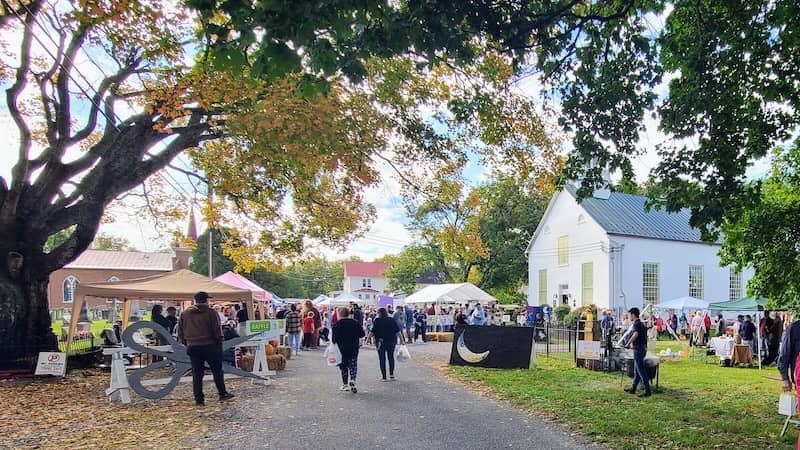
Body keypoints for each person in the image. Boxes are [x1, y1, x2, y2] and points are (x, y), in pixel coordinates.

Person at [178, 291, 234, 406]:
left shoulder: (185, 314)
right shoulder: (211, 312)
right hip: (210, 345)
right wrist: (219, 342)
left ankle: (199, 399)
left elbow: (180, 331)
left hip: (193, 346)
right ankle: (222, 393)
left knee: (197, 373)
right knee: (217, 371)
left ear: (195, 300)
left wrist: (187, 343)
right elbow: (217, 330)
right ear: (206, 300)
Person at [331, 307, 365, 393]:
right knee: (353, 365)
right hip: (353, 347)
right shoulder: (355, 323)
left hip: (341, 349)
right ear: (348, 314)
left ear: (339, 314)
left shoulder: (337, 324)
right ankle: (353, 380)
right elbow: (362, 334)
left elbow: (334, 339)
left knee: (343, 366)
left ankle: (345, 384)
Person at [623, 307, 652, 398]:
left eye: (629, 315)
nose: (629, 317)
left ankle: (647, 391)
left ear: (633, 315)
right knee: (637, 370)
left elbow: (635, 334)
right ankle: (633, 388)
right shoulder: (641, 324)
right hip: (642, 348)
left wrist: (628, 343)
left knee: (641, 370)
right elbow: (643, 337)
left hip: (638, 349)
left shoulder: (636, 324)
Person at [369, 307, 402, 381]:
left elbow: (372, 331)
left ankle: (384, 377)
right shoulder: (391, 320)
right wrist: (402, 340)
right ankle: (392, 375)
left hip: (380, 342)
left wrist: (367, 340)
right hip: (391, 341)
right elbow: (397, 331)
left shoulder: (377, 320)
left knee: (382, 359)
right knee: (391, 358)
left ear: (379, 313)